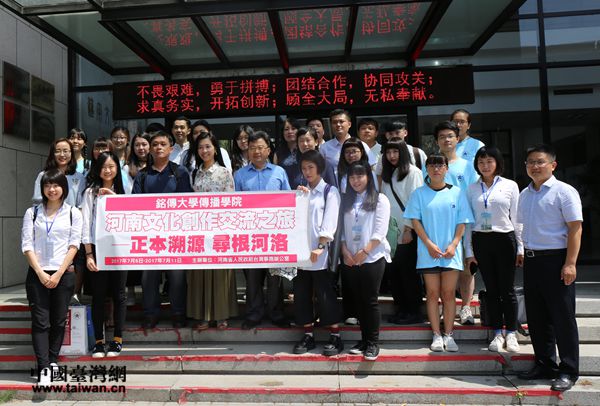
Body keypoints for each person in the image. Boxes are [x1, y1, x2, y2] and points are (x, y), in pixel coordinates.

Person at [516, 144, 583, 392]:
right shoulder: (525, 194)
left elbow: (575, 228)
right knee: (537, 317)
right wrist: (522, 251)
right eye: (530, 162)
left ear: (553, 165)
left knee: (562, 317)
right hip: (532, 260)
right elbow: (522, 226)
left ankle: (568, 370)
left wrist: (570, 263)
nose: (534, 166)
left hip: (556, 260)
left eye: (540, 162)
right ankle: (544, 364)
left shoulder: (564, 192)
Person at [404, 154, 474, 353]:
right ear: (426, 169)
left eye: (440, 165)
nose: (436, 169)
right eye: (432, 165)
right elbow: (415, 221)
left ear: (446, 169)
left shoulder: (457, 193)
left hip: (451, 252)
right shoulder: (419, 194)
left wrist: (454, 244)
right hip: (428, 252)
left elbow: (462, 221)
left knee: (449, 293)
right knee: (432, 293)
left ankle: (449, 335)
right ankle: (436, 334)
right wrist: (428, 244)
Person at [21, 169, 83, 385]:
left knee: (58, 320)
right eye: (47, 185)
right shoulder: (32, 213)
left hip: (63, 274)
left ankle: (53, 360)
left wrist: (58, 273)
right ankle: (44, 367)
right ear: (42, 188)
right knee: (40, 322)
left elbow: (74, 245)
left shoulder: (73, 213)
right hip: (37, 273)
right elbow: (26, 245)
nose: (52, 189)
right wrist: (40, 272)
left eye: (56, 185)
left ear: (63, 188)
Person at [132, 130, 193, 329]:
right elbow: (134, 206)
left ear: (171, 148)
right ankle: (150, 314)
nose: (158, 147)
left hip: (175, 236)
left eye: (163, 144)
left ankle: (178, 313)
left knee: (177, 277)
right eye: (155, 144)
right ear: (150, 148)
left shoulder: (180, 172)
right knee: (149, 278)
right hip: (150, 237)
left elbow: (187, 204)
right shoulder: (142, 175)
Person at [465, 147, 523, 353]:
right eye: (481, 162)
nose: (485, 166)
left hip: (505, 239)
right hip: (481, 240)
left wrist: (520, 246)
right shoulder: (471, 188)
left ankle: (512, 332)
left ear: (497, 163)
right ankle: (498, 332)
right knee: (491, 289)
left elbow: (517, 218)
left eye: (489, 161)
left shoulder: (510, 185)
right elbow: (468, 222)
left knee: (507, 289)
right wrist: (469, 251)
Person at [233, 131, 291, 329]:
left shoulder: (279, 172)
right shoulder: (239, 175)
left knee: (275, 277)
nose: (256, 152)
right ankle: (254, 314)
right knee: (252, 278)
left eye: (260, 147)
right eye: (252, 148)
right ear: (247, 151)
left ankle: (276, 313)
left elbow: (289, 201)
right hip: (250, 236)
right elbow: (235, 205)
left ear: (268, 150)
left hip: (275, 236)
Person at [292, 150, 343, 356]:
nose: (307, 172)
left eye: (311, 167)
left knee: (325, 293)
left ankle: (335, 335)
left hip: (321, 253)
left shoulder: (330, 191)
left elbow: (330, 221)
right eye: (304, 168)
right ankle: (308, 334)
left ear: (320, 168)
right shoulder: (301, 192)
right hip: (301, 252)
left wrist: (320, 246)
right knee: (302, 293)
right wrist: (299, 197)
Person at [188, 131, 238, 330]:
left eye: (208, 146)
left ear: (215, 149)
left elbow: (231, 203)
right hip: (199, 232)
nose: (204, 150)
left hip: (220, 231)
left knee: (219, 275)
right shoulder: (195, 173)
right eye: (200, 147)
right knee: (201, 274)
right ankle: (203, 316)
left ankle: (221, 316)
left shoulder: (224, 173)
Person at [341, 162, 391, 361]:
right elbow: (342, 229)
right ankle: (363, 339)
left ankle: (373, 343)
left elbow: (380, 231)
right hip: (351, 258)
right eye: (352, 177)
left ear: (368, 177)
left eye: (360, 176)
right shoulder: (347, 200)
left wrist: (365, 251)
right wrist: (344, 250)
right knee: (358, 300)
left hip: (372, 257)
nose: (356, 181)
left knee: (370, 300)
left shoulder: (380, 199)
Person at [81, 151, 127, 358]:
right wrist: (89, 254)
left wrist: (114, 198)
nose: (107, 170)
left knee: (119, 295)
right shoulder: (90, 193)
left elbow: (131, 216)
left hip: (120, 250)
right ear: (97, 169)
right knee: (98, 296)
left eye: (111, 166)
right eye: (103, 167)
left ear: (117, 168)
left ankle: (117, 340)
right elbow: (85, 226)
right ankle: (99, 342)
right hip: (97, 251)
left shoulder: (124, 190)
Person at [434, 121, 479, 325]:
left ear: (457, 139)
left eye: (450, 136)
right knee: (444, 268)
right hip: (439, 224)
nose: (446, 140)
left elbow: (473, 194)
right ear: (437, 141)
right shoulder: (431, 165)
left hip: (464, 222)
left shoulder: (467, 166)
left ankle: (466, 307)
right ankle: (446, 307)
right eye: (442, 136)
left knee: (467, 267)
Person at [32, 139, 85, 304]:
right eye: (58, 151)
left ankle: (73, 293)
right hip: (49, 226)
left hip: (71, 224)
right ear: (52, 154)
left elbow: (81, 204)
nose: (62, 154)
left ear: (72, 153)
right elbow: (37, 201)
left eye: (66, 151)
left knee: (74, 260)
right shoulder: (43, 175)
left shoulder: (78, 177)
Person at [380, 141, 424, 324]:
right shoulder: (388, 174)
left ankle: (413, 311)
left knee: (408, 273)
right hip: (390, 232)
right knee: (395, 273)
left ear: (404, 153)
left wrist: (408, 229)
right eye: (388, 152)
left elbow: (416, 202)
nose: (392, 156)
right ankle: (401, 309)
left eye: (395, 152)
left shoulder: (413, 172)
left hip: (407, 230)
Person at [124, 132, 151, 305]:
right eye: (137, 145)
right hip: (132, 216)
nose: (141, 148)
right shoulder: (126, 168)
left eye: (144, 144)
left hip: (152, 218)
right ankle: (131, 291)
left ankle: (150, 291)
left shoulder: (156, 165)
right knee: (133, 254)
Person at [320, 109, 376, 178]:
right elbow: (321, 172)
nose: (338, 125)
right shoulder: (324, 148)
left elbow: (372, 167)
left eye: (341, 121)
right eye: (334, 122)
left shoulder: (361, 145)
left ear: (349, 124)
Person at [273, 117, 300, 188]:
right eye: (286, 129)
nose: (290, 132)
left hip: (304, 190)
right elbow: (275, 175)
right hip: (285, 190)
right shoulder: (278, 153)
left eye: (293, 128)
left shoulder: (304, 149)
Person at [109, 126, 132, 193]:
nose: (118, 140)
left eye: (122, 138)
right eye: (115, 137)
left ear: (128, 140)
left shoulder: (132, 159)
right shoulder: (107, 159)